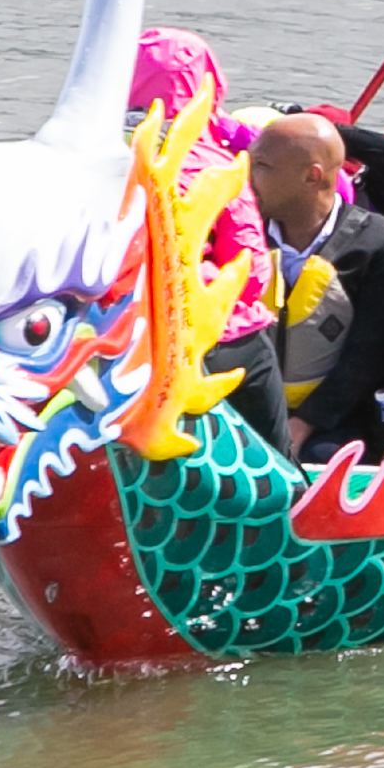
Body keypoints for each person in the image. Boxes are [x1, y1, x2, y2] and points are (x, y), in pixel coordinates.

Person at [125, 26, 290, 456]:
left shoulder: (101, 155)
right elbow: (250, 271)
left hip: (127, 339)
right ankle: (293, 497)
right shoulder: (217, 165)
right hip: (212, 338)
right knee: (274, 445)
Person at [248, 111, 384, 464]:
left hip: (339, 418)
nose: (248, 178)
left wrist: (303, 424)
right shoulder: (242, 236)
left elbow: (366, 357)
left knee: (321, 461)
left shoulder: (381, 245)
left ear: (312, 177)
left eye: (261, 167)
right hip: (253, 404)